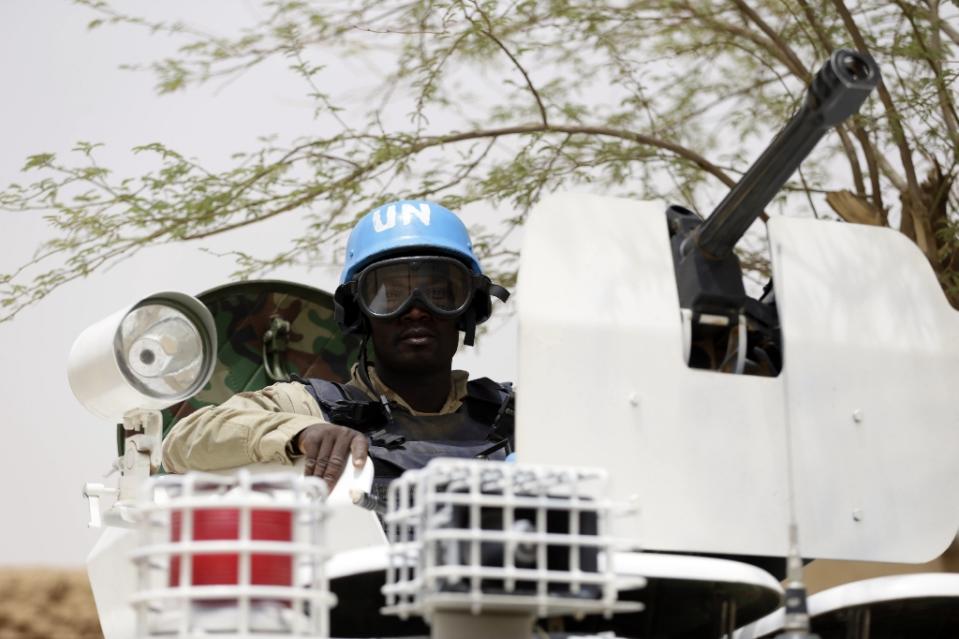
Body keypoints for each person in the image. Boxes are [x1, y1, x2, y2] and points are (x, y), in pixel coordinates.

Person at [161, 199, 513, 499]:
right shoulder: (313, 407)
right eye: (389, 295)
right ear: (359, 314)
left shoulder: (515, 416)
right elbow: (183, 441)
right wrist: (299, 433)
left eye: (440, 294)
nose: (417, 310)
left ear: (470, 307)